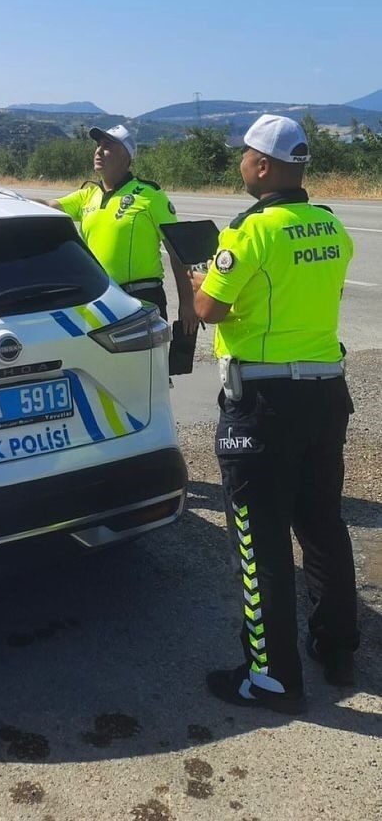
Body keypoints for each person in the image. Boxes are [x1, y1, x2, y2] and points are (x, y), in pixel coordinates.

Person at [193, 114, 357, 714]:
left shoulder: (248, 232)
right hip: (325, 393)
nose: (240, 163)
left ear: (263, 165)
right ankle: (338, 646)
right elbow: (322, 298)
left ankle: (271, 679)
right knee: (322, 524)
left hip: (262, 406)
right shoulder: (331, 227)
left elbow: (209, 309)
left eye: (244, 156)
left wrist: (195, 281)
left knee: (259, 541)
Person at [52, 124, 197, 333]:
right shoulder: (88, 195)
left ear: (126, 156)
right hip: (98, 299)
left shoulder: (149, 195)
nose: (99, 151)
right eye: (98, 145)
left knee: (143, 365)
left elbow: (178, 253)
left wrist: (187, 303)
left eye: (108, 146)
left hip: (140, 299)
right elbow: (47, 206)